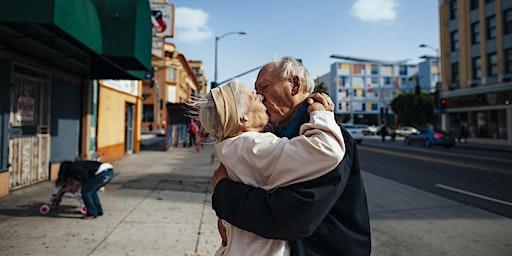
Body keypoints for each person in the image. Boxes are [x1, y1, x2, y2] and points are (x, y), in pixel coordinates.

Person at [211, 57, 371, 255]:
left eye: (264, 88)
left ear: (294, 85)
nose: (259, 97)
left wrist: (222, 192)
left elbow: (290, 219)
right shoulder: (276, 134)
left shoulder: (329, 138)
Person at [197, 81, 345, 255]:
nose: (260, 96)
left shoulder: (231, 147)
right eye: (253, 95)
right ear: (242, 118)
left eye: (263, 88)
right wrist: (321, 113)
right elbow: (327, 149)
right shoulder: (252, 145)